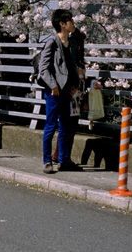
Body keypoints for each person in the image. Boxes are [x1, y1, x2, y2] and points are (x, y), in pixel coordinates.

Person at [38, 9, 81, 173]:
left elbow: (73, 66)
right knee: (50, 125)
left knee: (65, 126)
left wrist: (75, 84)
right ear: (62, 24)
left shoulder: (72, 44)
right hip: (54, 92)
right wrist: (53, 86)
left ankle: (63, 160)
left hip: (67, 91)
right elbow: (43, 68)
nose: (73, 23)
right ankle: (47, 161)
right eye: (70, 20)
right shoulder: (52, 43)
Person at [51, 28, 102, 164]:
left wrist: (91, 82)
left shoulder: (77, 58)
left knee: (68, 126)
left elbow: (81, 77)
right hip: (71, 95)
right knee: (68, 127)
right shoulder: (72, 55)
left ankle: (59, 155)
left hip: (75, 97)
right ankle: (63, 156)